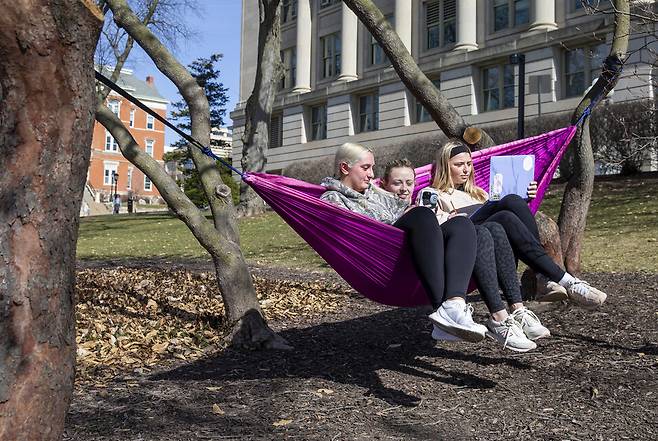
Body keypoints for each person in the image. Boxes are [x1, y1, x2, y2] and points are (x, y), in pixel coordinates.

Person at [418, 139, 608, 313]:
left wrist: (526, 197)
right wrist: (451, 217)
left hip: (491, 242)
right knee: (509, 200)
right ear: (445, 166)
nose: (466, 169)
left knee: (511, 209)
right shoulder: (432, 193)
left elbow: (512, 226)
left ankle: (545, 274)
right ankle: (555, 278)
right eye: (459, 165)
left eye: (469, 164)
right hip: (462, 243)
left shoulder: (479, 193)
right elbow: (428, 230)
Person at [321, 143, 487, 343]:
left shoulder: (376, 193)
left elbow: (406, 207)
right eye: (365, 168)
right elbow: (354, 231)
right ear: (345, 168)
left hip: (412, 247)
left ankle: (454, 305)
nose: (371, 174)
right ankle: (441, 309)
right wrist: (414, 214)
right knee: (422, 215)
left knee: (461, 224)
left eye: (372, 168)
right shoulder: (332, 199)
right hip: (381, 252)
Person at [381, 158, 544, 352]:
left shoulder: (424, 205)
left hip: (451, 260)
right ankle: (545, 278)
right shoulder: (388, 205)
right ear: (384, 184)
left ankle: (504, 316)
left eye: (409, 183)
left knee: (487, 229)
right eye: (397, 183)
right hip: (405, 266)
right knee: (493, 219)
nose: (404, 189)